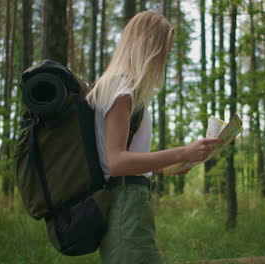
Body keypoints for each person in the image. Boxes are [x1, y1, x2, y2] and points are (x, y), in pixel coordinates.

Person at [85, 11, 222, 264]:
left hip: (129, 202)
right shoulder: (123, 91)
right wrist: (183, 152)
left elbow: (116, 157)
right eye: (164, 54)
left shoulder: (118, 87)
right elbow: (116, 163)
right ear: (148, 48)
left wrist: (162, 168)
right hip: (126, 205)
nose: (163, 62)